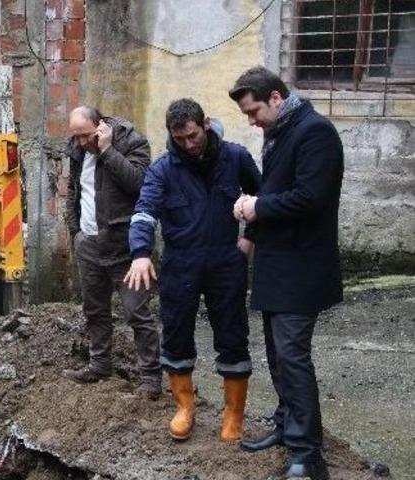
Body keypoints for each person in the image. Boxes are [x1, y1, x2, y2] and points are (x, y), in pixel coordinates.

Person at [229, 66, 344, 480]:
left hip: (302, 266)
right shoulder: (280, 134)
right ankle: (285, 425)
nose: (252, 120)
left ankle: (308, 454)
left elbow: (310, 197)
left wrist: (257, 207)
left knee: (293, 357)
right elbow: (276, 191)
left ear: (276, 98)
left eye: (254, 110)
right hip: (277, 265)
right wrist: (250, 234)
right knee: (277, 355)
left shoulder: (316, 133)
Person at [125, 99, 261, 442]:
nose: (188, 144)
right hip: (180, 264)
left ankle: (233, 415)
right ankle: (185, 408)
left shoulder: (235, 158)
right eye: (180, 138)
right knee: (177, 334)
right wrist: (141, 253)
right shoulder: (163, 169)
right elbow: (144, 211)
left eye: (193, 135)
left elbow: (264, 198)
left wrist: (249, 241)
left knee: (232, 335)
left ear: (206, 124)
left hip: (225, 263)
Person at [62, 106, 162, 400]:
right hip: (89, 245)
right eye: (76, 137)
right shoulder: (78, 147)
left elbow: (141, 185)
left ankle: (151, 378)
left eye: (87, 136)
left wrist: (106, 151)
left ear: (101, 126)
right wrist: (75, 231)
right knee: (94, 310)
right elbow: (73, 192)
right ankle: (100, 364)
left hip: (126, 246)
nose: (82, 143)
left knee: (137, 313)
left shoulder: (132, 142)